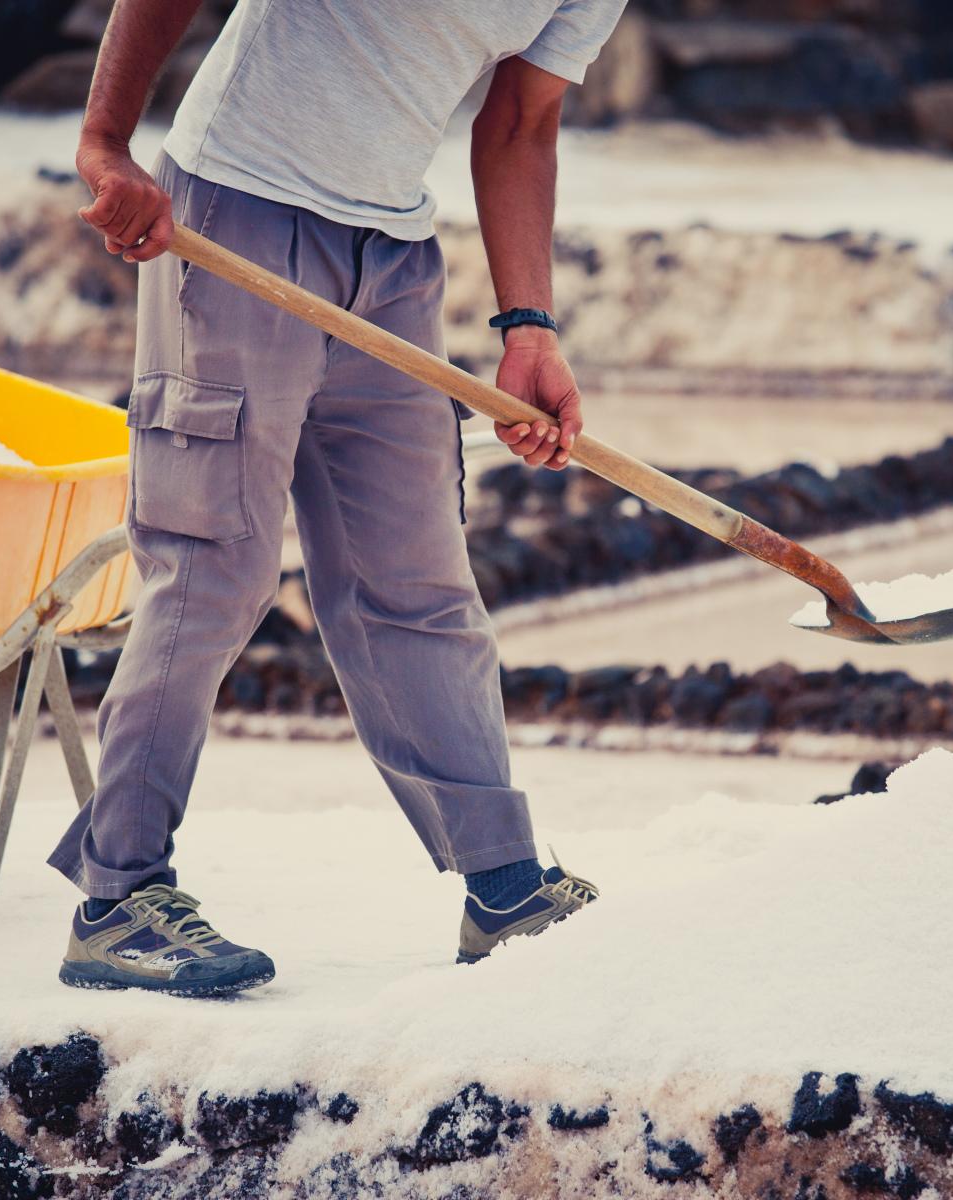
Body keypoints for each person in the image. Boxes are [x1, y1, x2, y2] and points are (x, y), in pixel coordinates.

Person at [47, 0, 623, 995]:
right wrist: (105, 144)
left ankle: (504, 887)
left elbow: (522, 121)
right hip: (236, 204)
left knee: (415, 578)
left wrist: (529, 326)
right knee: (212, 570)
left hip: (392, 253)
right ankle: (117, 899)